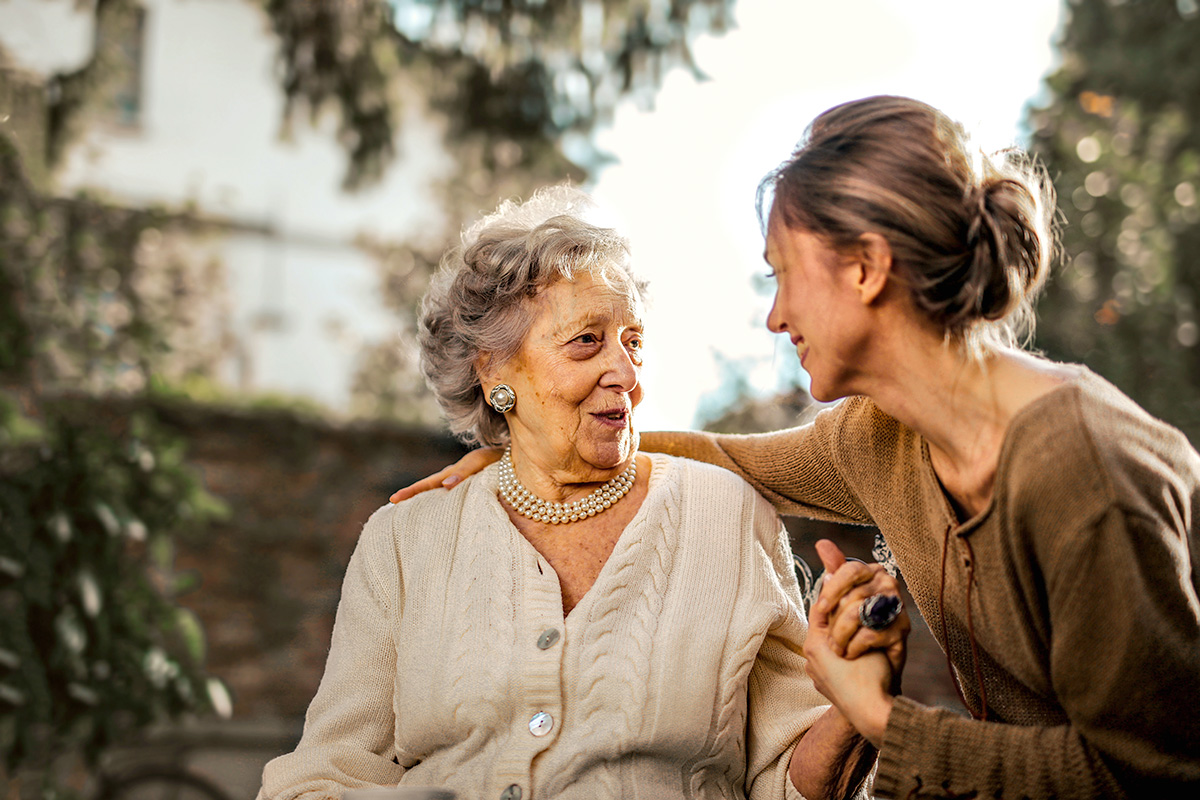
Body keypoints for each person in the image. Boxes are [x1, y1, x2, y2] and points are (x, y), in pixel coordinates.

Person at [391, 97, 1200, 798]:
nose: (776, 318)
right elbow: (727, 458)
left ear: (867, 269)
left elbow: (1150, 774)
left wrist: (878, 716)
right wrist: (529, 453)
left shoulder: (1082, 470)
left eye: (783, 275)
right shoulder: (880, 437)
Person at [258, 186, 905, 800]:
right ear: (493, 371)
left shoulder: (727, 516)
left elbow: (788, 785)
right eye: (587, 341)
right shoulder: (405, 539)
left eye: (634, 343)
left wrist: (853, 708)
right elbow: (325, 772)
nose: (624, 373)